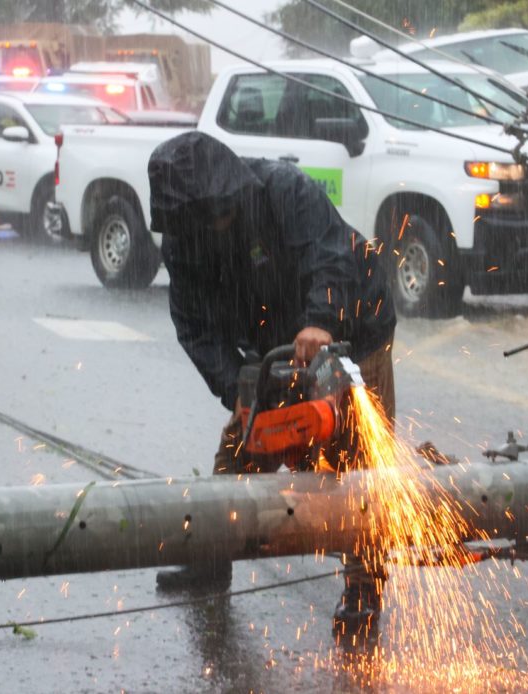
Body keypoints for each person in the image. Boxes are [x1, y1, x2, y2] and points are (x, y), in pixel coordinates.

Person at [148, 131, 396, 639]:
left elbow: (331, 255)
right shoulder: (185, 243)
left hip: (351, 325)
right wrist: (240, 390)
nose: (215, 225)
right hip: (274, 344)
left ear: (231, 193)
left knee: (359, 461)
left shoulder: (284, 190)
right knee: (238, 453)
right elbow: (195, 326)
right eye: (203, 220)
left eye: (220, 214)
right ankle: (211, 561)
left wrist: (321, 321)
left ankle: (363, 585)